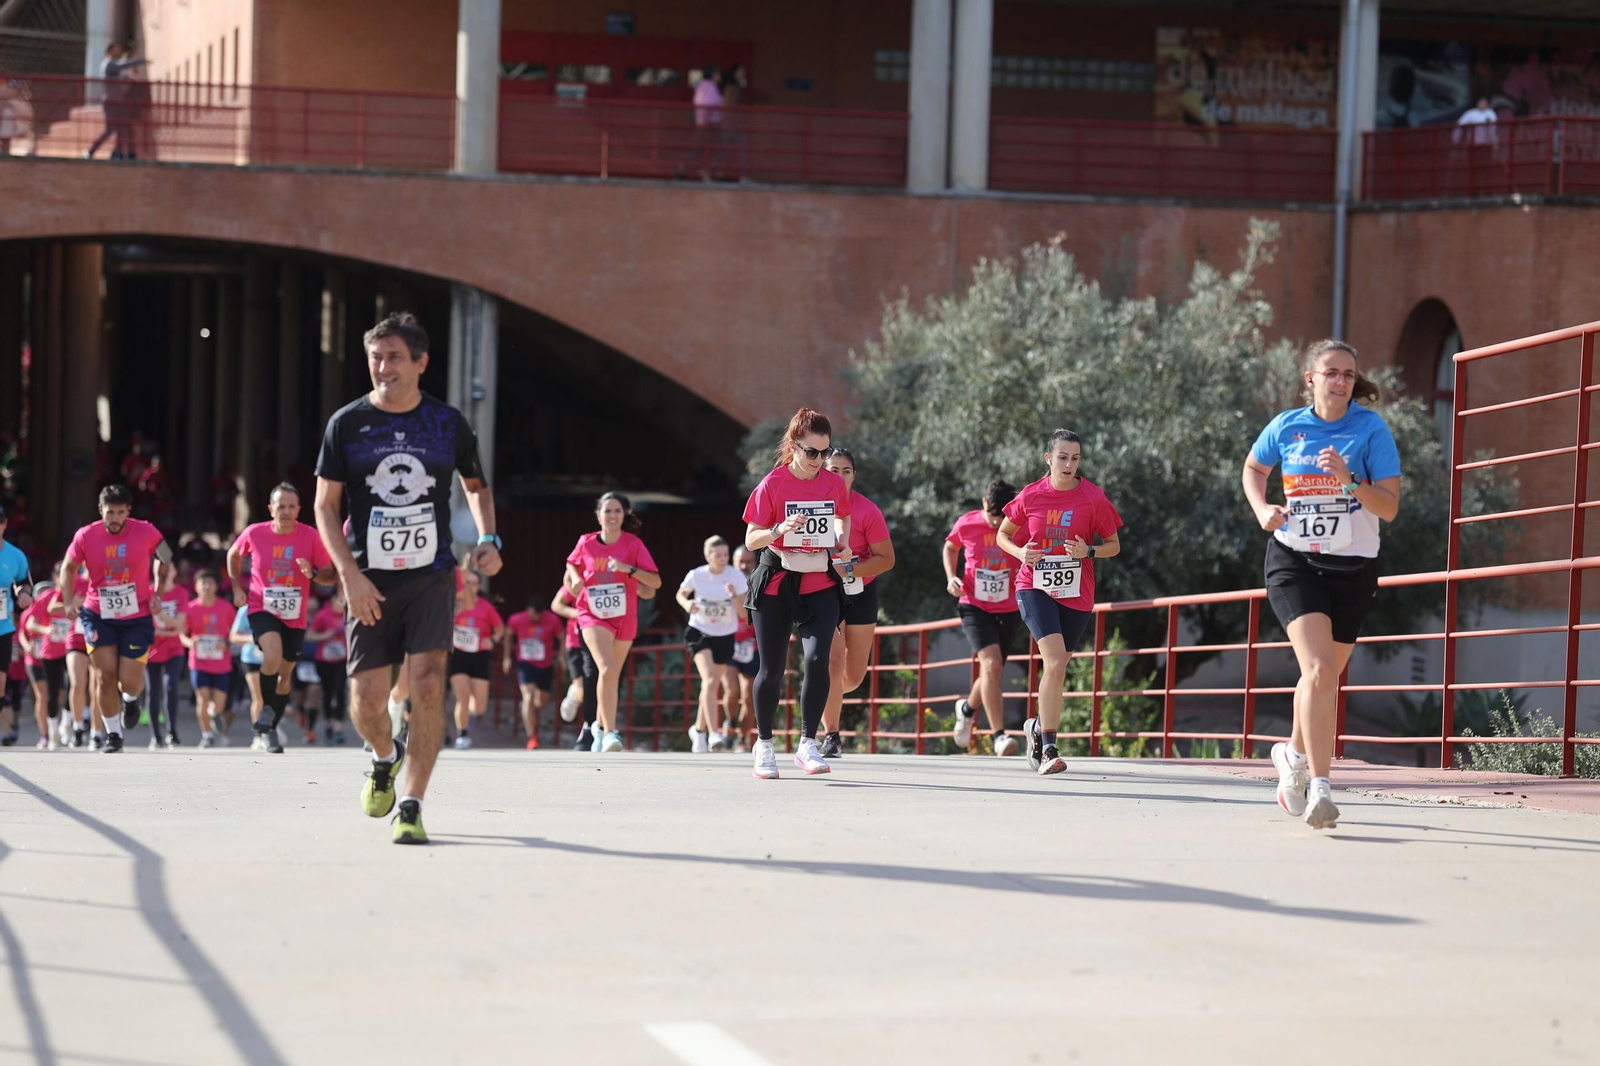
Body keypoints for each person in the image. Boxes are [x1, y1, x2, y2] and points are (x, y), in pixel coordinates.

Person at [314, 312, 501, 845]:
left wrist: (489, 538)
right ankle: (384, 755)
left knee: (427, 684)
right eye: (376, 357)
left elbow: (476, 485)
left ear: (421, 362)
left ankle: (413, 805)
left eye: (394, 357)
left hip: (431, 576)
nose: (383, 367)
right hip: (369, 580)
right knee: (367, 701)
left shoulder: (446, 423)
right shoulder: (347, 424)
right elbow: (325, 506)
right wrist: (348, 575)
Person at [1244, 339, 1401, 830]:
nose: (1340, 381)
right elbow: (1254, 468)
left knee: (1323, 677)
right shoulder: (1287, 426)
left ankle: (1291, 754)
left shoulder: (1371, 430)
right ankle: (1321, 788)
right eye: (1330, 372)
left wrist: (1350, 481)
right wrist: (1262, 509)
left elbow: (1389, 508)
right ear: (1310, 379)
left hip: (1353, 570)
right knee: (1317, 670)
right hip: (1295, 561)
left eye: (1348, 374)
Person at [997, 430, 1124, 777]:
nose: (1069, 465)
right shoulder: (1031, 494)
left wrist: (1089, 550)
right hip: (1033, 586)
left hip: (1076, 593)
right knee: (1054, 661)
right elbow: (1002, 535)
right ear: (1048, 458)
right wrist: (1020, 552)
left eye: (1075, 458)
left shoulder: (1093, 498)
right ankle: (1049, 747)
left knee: (1059, 666)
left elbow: (1113, 545)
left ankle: (1036, 726)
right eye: (1063, 457)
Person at [741, 407, 853, 779]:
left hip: (819, 580)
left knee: (819, 659)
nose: (819, 460)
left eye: (825, 452)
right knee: (772, 668)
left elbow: (842, 516)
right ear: (794, 446)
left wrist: (842, 540)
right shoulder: (772, 484)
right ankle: (764, 743)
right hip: (777, 582)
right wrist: (779, 529)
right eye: (811, 452)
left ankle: (807, 744)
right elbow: (751, 539)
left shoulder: (832, 483)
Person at [58, 484, 171, 754]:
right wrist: (68, 600)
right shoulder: (85, 535)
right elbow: (68, 567)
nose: (115, 519)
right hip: (98, 614)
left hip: (137, 615)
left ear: (128, 511)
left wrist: (158, 592)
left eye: (120, 513)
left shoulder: (147, 531)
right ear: (101, 510)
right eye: (110, 512)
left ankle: (131, 699)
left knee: (129, 680)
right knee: (105, 675)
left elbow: (166, 557)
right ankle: (113, 735)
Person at [226, 482, 335, 753]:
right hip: (261, 606)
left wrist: (312, 573)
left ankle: (271, 728)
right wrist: (237, 587)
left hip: (294, 616)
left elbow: (330, 576)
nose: (285, 511)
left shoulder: (311, 536)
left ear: (298, 509)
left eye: (291, 507)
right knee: (272, 654)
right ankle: (265, 711)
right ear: (271, 509)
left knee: (285, 677)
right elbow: (233, 554)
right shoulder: (255, 533)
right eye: (281, 506)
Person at [565, 493, 661, 753]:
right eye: (607, 510)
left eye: (617, 510)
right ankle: (610, 732)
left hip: (624, 617)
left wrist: (628, 569)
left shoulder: (633, 544)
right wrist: (575, 578)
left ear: (624, 515)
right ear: (598, 515)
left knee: (611, 675)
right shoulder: (586, 542)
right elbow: (571, 563)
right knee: (606, 668)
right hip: (592, 614)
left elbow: (655, 581)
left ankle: (598, 728)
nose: (612, 515)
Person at [814, 449, 894, 757]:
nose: (840, 476)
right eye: (833, 470)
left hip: (861, 591)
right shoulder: (813, 505)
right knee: (832, 663)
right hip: (823, 591)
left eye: (846, 471)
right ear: (823, 471)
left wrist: (849, 570)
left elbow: (886, 559)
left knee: (853, 676)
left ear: (854, 475)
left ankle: (825, 693)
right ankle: (831, 735)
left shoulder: (867, 510)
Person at [945, 480, 1024, 757]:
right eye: (992, 517)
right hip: (974, 605)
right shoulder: (967, 523)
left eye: (1002, 518)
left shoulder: (1019, 527)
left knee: (993, 670)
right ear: (983, 504)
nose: (996, 524)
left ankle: (967, 709)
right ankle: (999, 736)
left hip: (1010, 607)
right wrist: (951, 577)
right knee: (991, 664)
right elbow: (950, 547)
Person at [676, 534, 749, 753]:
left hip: (724, 635)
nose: (722, 559)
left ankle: (698, 730)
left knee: (711, 685)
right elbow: (680, 594)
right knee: (710, 680)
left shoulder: (735, 576)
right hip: (699, 631)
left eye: (725, 555)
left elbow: (743, 614)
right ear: (707, 556)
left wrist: (734, 596)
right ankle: (713, 733)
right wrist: (687, 604)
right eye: (717, 555)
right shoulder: (697, 575)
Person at [449, 568, 503, 749]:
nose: (470, 586)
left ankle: (470, 714)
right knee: (462, 698)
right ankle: (462, 734)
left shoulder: (486, 607)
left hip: (479, 656)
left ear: (479, 586)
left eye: (474, 583)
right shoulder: (454, 605)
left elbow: (500, 629)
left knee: (479, 707)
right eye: (467, 583)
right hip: (458, 656)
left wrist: (492, 641)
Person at [181, 569, 234, 747]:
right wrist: (190, 643)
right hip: (199, 662)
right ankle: (206, 735)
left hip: (221, 664)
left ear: (216, 586)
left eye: (210, 582)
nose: (206, 586)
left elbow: (235, 632)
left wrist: (226, 643)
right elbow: (182, 634)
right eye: (202, 582)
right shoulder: (190, 608)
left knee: (218, 705)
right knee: (202, 699)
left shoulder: (226, 607)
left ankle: (215, 715)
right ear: (196, 587)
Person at [504, 593, 563, 750]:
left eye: (538, 615)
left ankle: (528, 707)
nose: (535, 617)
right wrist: (507, 658)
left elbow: (562, 637)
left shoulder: (553, 620)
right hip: (525, 664)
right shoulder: (516, 619)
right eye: (533, 614)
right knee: (528, 697)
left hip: (545, 665)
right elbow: (508, 636)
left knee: (541, 702)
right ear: (528, 610)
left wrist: (562, 656)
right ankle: (532, 736)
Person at [549, 584, 599, 751]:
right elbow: (556, 605)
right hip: (576, 642)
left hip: (599, 640)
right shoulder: (577, 581)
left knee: (597, 686)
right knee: (582, 690)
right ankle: (574, 695)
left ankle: (591, 730)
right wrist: (581, 614)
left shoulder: (608, 579)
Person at [85, 41, 150, 160]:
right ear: (109, 51)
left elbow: (124, 76)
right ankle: (91, 151)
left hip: (118, 102)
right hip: (111, 103)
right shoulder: (109, 64)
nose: (118, 52)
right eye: (116, 49)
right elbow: (121, 66)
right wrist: (140, 61)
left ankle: (120, 154)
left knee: (123, 128)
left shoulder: (114, 68)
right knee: (111, 129)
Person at [0, 506, 32, 740]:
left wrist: (24, 594)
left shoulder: (16, 556)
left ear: (4, 524)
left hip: (3, 628)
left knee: (1, 683)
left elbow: (24, 582)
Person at [21, 581, 65, 748]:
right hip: (34, 659)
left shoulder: (59, 610)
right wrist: (27, 645)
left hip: (54, 657)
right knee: (42, 695)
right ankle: (45, 734)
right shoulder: (28, 613)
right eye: (41, 594)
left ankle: (55, 723)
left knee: (58, 694)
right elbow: (23, 633)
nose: (44, 597)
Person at [145, 565, 186, 747]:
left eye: (168, 569)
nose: (164, 573)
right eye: (161, 570)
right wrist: (166, 630)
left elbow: (180, 622)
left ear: (175, 572)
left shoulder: (181, 593)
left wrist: (161, 615)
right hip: (151, 647)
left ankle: (172, 731)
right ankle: (155, 736)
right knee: (153, 690)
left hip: (173, 648)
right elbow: (144, 623)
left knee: (171, 685)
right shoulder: (147, 592)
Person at [725, 545, 760, 751]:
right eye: (740, 562)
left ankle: (742, 738)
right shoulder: (724, 583)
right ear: (733, 563)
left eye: (749, 562)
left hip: (753, 645)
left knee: (748, 698)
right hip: (729, 643)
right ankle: (730, 723)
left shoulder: (760, 583)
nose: (744, 566)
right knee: (731, 691)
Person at [308, 592, 349, 744]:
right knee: (327, 693)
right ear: (332, 601)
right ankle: (328, 725)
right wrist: (325, 636)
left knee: (340, 691)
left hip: (342, 660)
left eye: (343, 601)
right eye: (338, 601)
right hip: (324, 661)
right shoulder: (322, 615)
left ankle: (339, 729)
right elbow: (309, 635)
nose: (341, 604)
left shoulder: (349, 615)